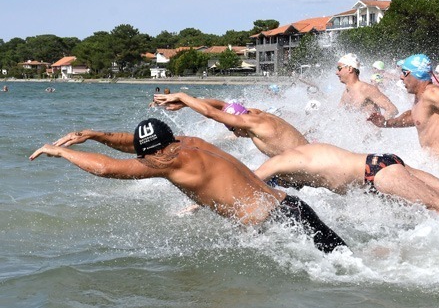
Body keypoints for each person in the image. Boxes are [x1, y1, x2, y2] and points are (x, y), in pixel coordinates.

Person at [29, 119, 347, 253]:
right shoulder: (189, 144)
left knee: (343, 271)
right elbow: (135, 144)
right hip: (292, 209)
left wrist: (60, 151)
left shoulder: (169, 162)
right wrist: (95, 134)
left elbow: (107, 169)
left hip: (279, 225)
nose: (146, 159)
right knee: (345, 259)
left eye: (147, 154)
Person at [254, 143, 439, 215]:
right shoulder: (302, 151)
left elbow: (246, 181)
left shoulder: (277, 164)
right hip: (381, 161)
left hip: (376, 174)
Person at [368, 54, 439, 166]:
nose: (401, 77)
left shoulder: (431, 93)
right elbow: (415, 117)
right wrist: (385, 123)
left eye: (404, 73)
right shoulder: (421, 97)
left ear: (417, 74)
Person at [153, 92, 308, 158]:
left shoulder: (251, 122)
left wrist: (181, 96)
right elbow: (221, 105)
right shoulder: (255, 113)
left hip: (305, 168)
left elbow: (210, 112)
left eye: (233, 128)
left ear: (238, 124)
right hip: (305, 157)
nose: (235, 134)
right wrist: (184, 104)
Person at [336, 53, 398, 119]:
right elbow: (338, 114)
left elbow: (392, 110)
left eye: (339, 68)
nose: (336, 73)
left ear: (350, 69)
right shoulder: (346, 93)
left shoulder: (366, 89)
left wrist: (379, 124)